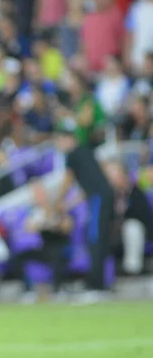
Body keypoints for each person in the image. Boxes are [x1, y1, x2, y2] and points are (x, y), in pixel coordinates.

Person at [54, 123, 115, 302]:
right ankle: (100, 283)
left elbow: (68, 180)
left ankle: (96, 286)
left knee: (95, 239)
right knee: (99, 239)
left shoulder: (72, 155)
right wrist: (67, 204)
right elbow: (85, 188)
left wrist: (58, 202)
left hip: (99, 198)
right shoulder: (85, 151)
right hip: (101, 196)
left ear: (67, 139)